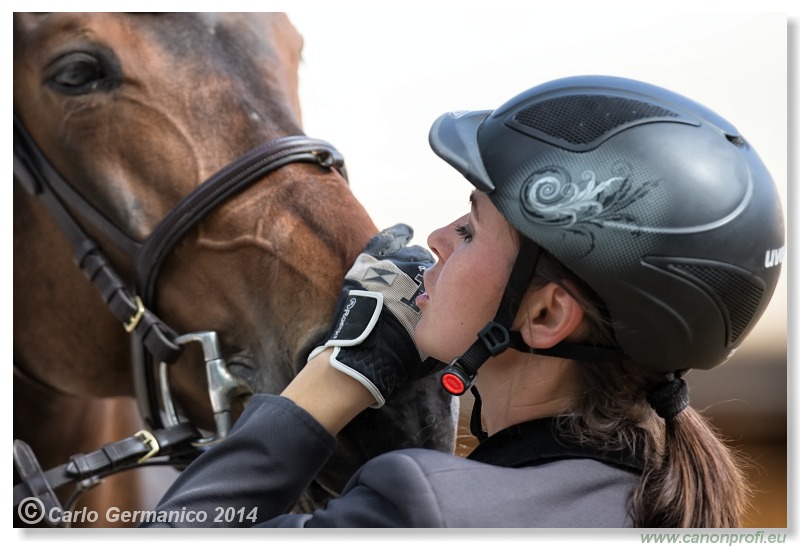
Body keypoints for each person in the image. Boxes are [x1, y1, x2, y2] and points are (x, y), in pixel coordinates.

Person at [142, 75, 784, 528]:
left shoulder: (426, 508)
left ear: (545, 315)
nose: (436, 240)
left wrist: (335, 379)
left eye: (472, 229)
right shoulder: (661, 501)